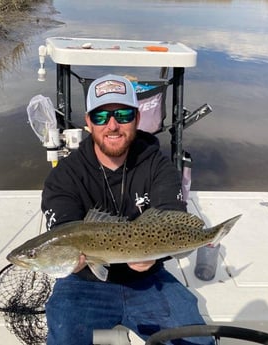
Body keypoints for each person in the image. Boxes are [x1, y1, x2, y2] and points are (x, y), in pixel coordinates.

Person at [41, 74, 213, 345]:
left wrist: (151, 257)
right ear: (88, 122)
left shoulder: (159, 167)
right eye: (100, 117)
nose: (112, 125)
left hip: (150, 279)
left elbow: (173, 217)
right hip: (84, 281)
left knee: (196, 342)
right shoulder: (64, 176)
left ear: (136, 118)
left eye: (122, 115)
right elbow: (63, 226)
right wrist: (72, 264)